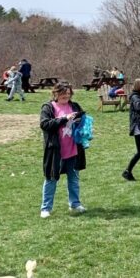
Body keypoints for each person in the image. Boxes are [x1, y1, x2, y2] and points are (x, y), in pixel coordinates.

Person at [39, 83, 87, 218]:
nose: (66, 96)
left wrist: (81, 122)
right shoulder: (48, 107)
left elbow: (82, 120)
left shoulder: (74, 106)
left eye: (68, 94)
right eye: (63, 94)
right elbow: (45, 124)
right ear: (55, 94)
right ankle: (46, 208)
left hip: (73, 149)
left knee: (74, 178)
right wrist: (64, 119)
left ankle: (75, 204)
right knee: (51, 179)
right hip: (55, 151)